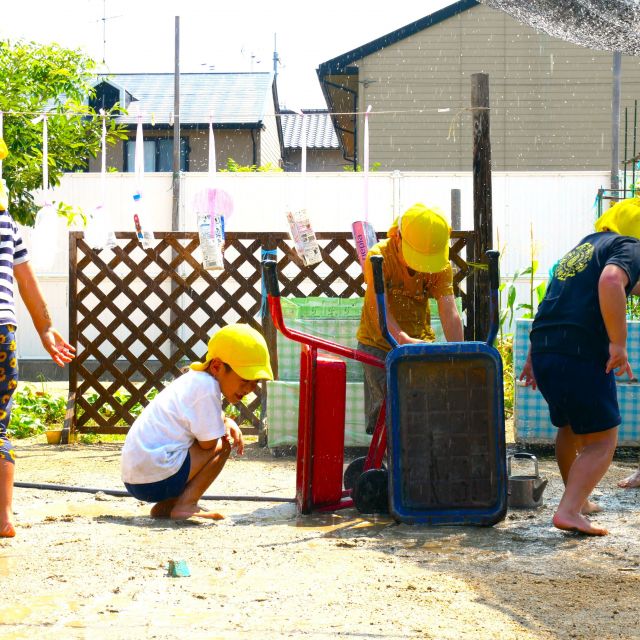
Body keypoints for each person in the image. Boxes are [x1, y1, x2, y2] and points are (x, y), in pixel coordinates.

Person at [519, 196, 640, 536]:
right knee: (602, 441)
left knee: (569, 428)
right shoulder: (629, 245)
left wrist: (532, 356)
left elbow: (553, 299)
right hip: (581, 352)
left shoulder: (584, 248)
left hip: (546, 350)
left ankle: (577, 499)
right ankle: (569, 509)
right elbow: (612, 282)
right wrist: (618, 342)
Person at [0, 138, 75, 538]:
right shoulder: (6, 222)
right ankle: (3, 518)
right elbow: (26, 282)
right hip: (2, 330)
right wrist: (45, 328)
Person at [121, 323, 273, 520]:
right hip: (155, 479)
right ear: (217, 367)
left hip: (136, 479)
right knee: (223, 443)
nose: (250, 388)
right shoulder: (206, 388)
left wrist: (223, 420)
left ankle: (168, 506)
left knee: (193, 443)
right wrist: (225, 425)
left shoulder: (195, 381)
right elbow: (209, 444)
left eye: (256, 382)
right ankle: (186, 504)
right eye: (245, 379)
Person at [356, 203, 464, 435]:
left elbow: (449, 311)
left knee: (422, 407)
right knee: (390, 408)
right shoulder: (379, 258)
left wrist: (461, 352)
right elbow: (379, 309)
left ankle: (418, 461)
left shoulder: (440, 266)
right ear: (398, 237)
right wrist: (402, 339)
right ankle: (393, 463)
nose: (424, 266)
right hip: (378, 344)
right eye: (417, 258)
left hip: (419, 344)